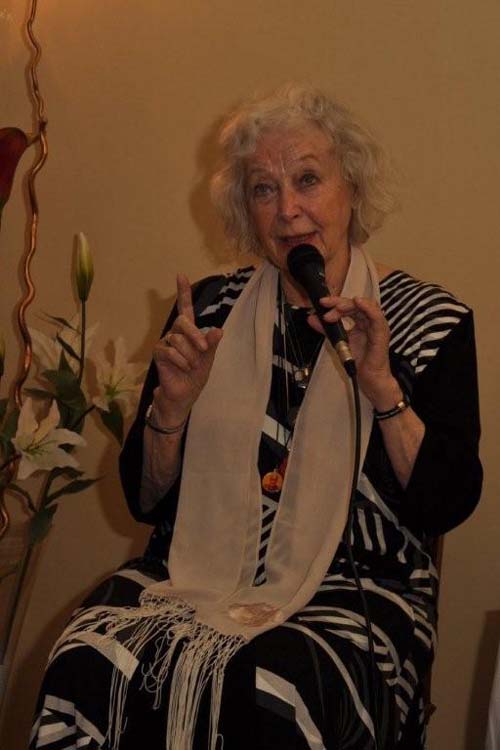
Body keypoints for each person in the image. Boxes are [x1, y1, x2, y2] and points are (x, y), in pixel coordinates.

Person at [31, 84, 482, 750]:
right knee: (86, 657)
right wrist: (170, 410)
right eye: (264, 189)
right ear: (246, 212)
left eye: (307, 180)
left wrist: (383, 387)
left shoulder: (427, 323)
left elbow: (447, 501)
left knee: (271, 684)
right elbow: (145, 501)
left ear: (352, 188)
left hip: (358, 587)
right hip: (196, 571)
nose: (289, 209)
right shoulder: (208, 312)